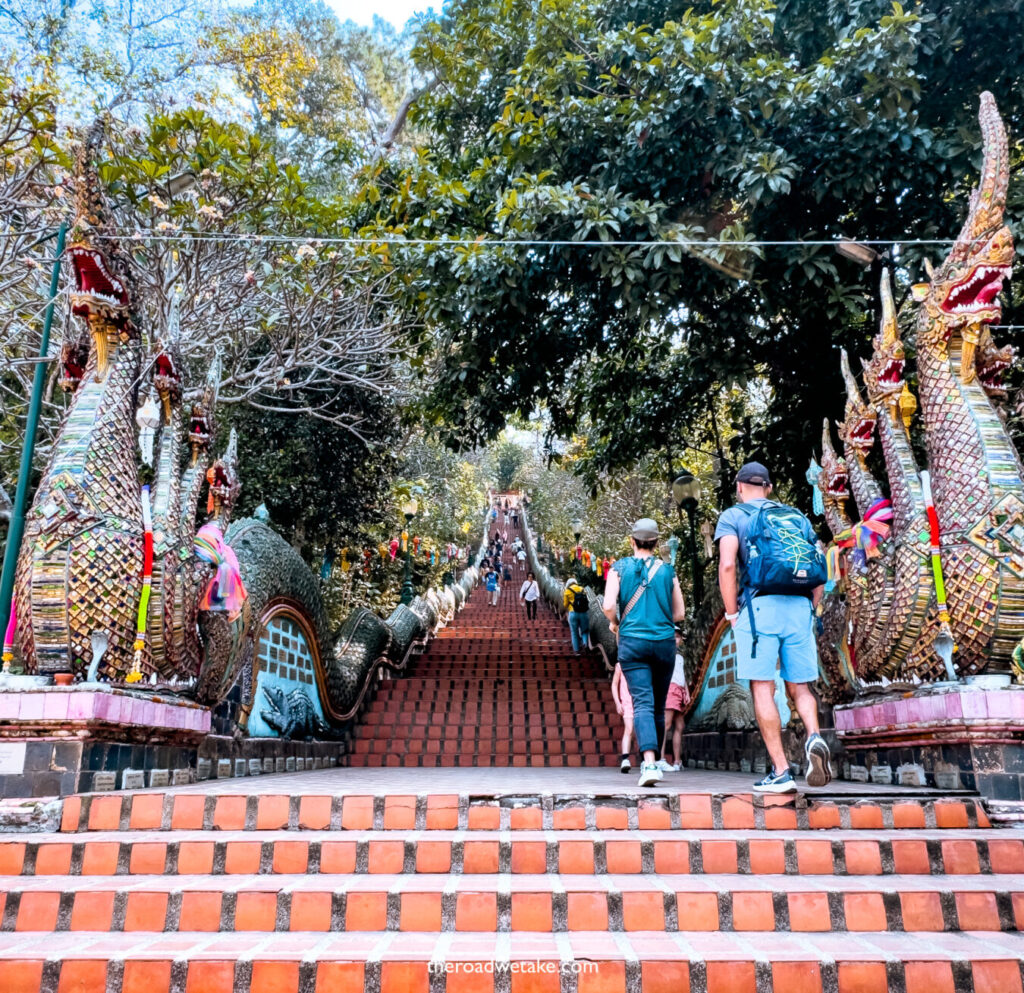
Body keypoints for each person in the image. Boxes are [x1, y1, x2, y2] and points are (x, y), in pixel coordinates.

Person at [715, 461, 831, 794]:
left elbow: (727, 566)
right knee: (801, 688)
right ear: (769, 487)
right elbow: (817, 564)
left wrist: (732, 613)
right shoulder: (794, 517)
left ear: (739, 487)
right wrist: (811, 604)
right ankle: (814, 737)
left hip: (759, 607)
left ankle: (781, 771)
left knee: (763, 688)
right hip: (798, 607)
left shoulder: (734, 517)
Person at [602, 518, 686, 787]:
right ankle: (657, 760)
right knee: (657, 704)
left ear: (632, 541)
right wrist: (660, 619)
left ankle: (648, 762)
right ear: (656, 542)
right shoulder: (668, 571)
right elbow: (680, 613)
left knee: (642, 702)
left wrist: (615, 622)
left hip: (633, 643)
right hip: (663, 644)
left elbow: (606, 605)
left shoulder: (619, 568)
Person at [657, 627, 690, 772]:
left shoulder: (680, 657)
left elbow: (682, 676)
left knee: (680, 726)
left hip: (680, 691)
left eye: (678, 637)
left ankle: (677, 761)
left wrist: (686, 692)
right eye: (673, 637)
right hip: (670, 689)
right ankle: (661, 759)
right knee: (666, 725)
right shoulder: (663, 654)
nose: (675, 640)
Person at [610, 662, 635, 773]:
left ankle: (646, 760)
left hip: (641, 701)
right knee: (629, 728)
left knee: (641, 729)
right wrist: (617, 703)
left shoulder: (643, 662)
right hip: (627, 701)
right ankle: (625, 759)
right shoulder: (620, 665)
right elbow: (614, 684)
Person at [563, 578, 591, 655]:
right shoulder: (582, 589)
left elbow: (565, 605)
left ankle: (576, 650)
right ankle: (585, 643)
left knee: (574, 632)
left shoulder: (567, 591)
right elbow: (587, 600)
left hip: (573, 613)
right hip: (583, 613)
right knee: (584, 630)